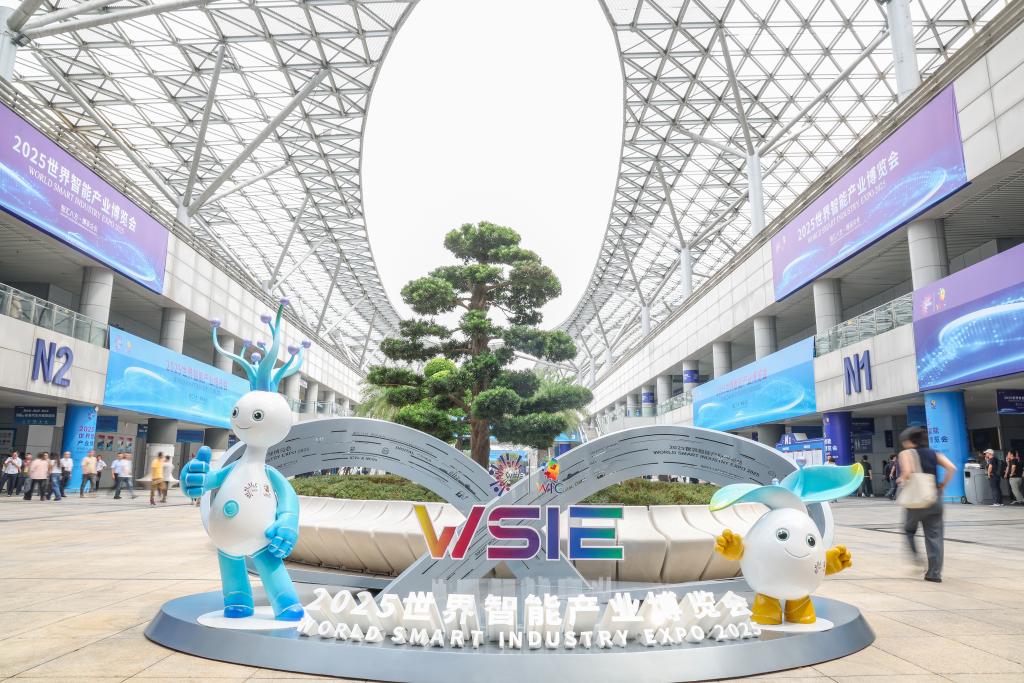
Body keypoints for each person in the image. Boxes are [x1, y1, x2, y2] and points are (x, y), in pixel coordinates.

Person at [898, 426, 957, 583]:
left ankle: (916, 561)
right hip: (934, 498)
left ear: (909, 441)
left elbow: (907, 472)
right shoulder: (934, 453)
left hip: (917, 500)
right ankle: (934, 574)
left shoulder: (906, 453)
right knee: (935, 537)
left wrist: (900, 479)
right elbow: (952, 468)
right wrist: (942, 486)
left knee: (909, 530)